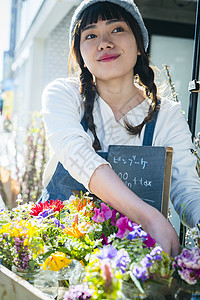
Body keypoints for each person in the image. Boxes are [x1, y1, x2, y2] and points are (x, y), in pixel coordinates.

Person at [40, 0, 200, 257]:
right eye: (91, 35)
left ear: (139, 44)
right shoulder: (63, 95)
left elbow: (187, 191)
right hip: (58, 259)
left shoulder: (166, 115)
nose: (104, 42)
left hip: (134, 266)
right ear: (80, 54)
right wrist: (149, 218)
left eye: (117, 29)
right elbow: (77, 154)